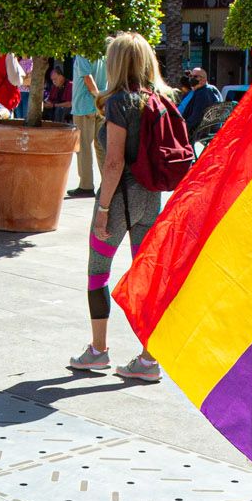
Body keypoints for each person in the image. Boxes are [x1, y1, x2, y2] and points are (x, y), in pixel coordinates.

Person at [66, 31, 178, 383]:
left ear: (116, 64)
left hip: (118, 203)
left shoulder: (118, 103)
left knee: (97, 272)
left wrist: (102, 209)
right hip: (151, 201)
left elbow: (113, 163)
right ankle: (148, 358)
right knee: (147, 279)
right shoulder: (160, 98)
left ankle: (98, 351)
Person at [70, 50, 105, 198]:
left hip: (84, 105)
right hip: (99, 106)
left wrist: (96, 96)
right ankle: (107, 184)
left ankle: (86, 185)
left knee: (83, 147)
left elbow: (87, 77)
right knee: (101, 146)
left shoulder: (83, 52)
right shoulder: (103, 53)